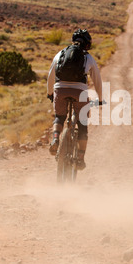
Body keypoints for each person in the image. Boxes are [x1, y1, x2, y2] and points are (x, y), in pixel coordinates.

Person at [47, 29, 103, 170]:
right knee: (82, 124)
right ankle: (80, 158)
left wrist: (50, 93)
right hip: (80, 91)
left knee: (59, 117)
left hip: (60, 88)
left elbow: (51, 75)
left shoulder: (61, 53)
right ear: (87, 44)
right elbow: (97, 80)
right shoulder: (88, 57)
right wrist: (100, 98)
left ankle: (55, 138)